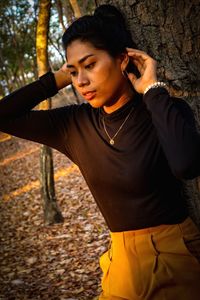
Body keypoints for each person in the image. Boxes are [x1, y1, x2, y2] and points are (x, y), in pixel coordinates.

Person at [0, 4, 200, 300]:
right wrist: (58, 78)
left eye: (90, 65)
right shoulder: (75, 125)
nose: (81, 82)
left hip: (176, 254)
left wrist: (153, 89)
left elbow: (187, 164)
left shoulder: (162, 109)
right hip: (121, 265)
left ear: (122, 59)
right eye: (74, 71)